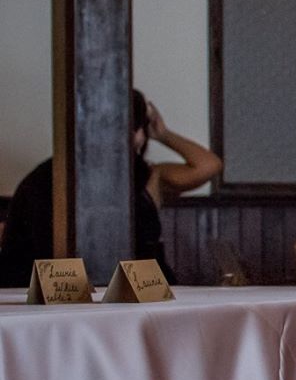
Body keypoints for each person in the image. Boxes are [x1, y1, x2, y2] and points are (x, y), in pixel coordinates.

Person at [0, 89, 221, 286]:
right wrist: (160, 133)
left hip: (136, 284)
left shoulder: (147, 175)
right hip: (62, 286)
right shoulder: (51, 176)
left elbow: (209, 166)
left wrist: (163, 134)